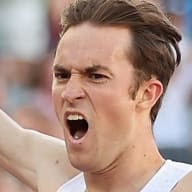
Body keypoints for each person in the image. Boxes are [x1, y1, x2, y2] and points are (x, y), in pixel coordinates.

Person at [0, 0, 192, 191]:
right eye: (62, 75)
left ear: (147, 93)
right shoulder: (62, 178)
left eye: (96, 76)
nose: (70, 92)